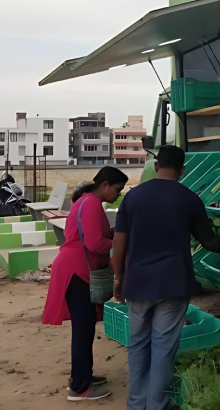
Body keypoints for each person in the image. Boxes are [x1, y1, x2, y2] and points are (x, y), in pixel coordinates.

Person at [111, 145, 220, 410]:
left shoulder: (133, 197)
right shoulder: (189, 199)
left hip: (138, 283)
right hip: (173, 283)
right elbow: (209, 241)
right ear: (182, 169)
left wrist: (118, 278)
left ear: (156, 167)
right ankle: (158, 406)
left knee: (137, 346)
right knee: (163, 349)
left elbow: (119, 243)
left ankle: (136, 405)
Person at [42, 166, 129, 401]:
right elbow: (93, 243)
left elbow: (90, 236)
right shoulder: (91, 203)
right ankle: (80, 388)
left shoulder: (85, 200)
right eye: (118, 190)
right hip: (77, 270)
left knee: (85, 327)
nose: (118, 195)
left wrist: (111, 235)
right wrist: (118, 246)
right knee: (83, 329)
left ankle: (83, 377)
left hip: (75, 268)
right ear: (105, 185)